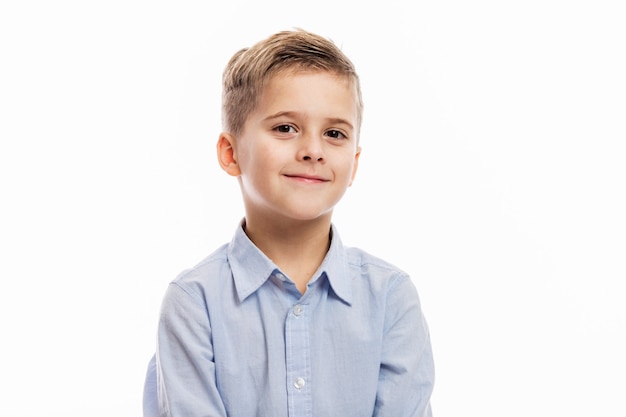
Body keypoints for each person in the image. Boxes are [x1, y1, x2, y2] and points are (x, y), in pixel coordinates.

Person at [144, 28, 435, 417]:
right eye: (285, 128)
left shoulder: (390, 298)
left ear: (354, 164)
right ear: (231, 153)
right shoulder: (194, 303)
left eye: (334, 133)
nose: (313, 150)